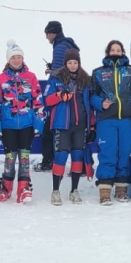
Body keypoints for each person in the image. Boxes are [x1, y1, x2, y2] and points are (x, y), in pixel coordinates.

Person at [0, 40, 43, 204]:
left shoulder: (31, 77)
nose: (17, 60)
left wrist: (38, 125)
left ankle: (24, 187)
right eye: (13, 58)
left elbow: (38, 102)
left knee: (24, 157)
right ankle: (6, 187)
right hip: (8, 125)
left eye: (19, 57)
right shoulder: (1, 79)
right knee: (10, 158)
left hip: (27, 124)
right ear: (8, 60)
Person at [90, 40, 131, 204]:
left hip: (127, 120)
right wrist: (101, 103)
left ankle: (121, 189)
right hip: (106, 120)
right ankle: (105, 190)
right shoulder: (98, 72)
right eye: (112, 50)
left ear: (123, 52)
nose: (115, 52)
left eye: (118, 50)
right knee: (107, 153)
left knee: (124, 153)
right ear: (108, 52)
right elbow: (91, 96)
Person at [43, 48, 95, 205]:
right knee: (60, 157)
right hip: (62, 125)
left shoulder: (86, 80)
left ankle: (74, 190)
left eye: (75, 62)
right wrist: (59, 95)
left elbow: (90, 105)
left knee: (78, 157)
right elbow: (47, 100)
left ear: (79, 63)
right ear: (65, 64)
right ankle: (55, 191)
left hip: (80, 126)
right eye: (69, 62)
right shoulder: (56, 78)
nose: (72, 65)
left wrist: (91, 125)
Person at [35, 21, 80, 172]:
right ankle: (81, 167)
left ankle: (48, 162)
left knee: (49, 132)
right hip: (73, 97)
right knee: (76, 135)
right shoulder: (67, 44)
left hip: (62, 96)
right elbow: (66, 66)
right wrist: (53, 67)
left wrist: (52, 74)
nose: (46, 38)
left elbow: (62, 71)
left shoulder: (59, 47)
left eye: (46, 34)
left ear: (52, 33)